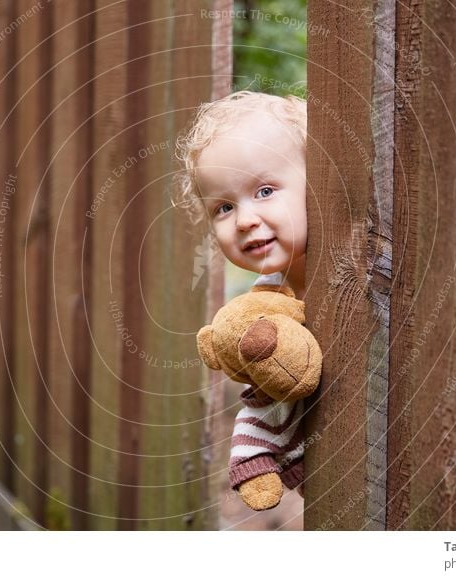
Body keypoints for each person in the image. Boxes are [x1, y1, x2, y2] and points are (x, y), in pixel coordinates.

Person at [174, 91, 309, 507]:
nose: (246, 220)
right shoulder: (265, 302)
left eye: (266, 190)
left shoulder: (354, 268)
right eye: (224, 207)